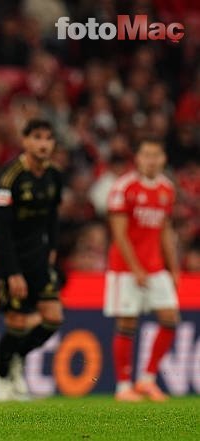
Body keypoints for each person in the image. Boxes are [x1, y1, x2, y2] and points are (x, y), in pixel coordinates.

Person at [0, 119, 64, 401]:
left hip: (38, 257)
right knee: (17, 320)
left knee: (53, 317)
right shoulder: (10, 176)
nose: (43, 144)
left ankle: (6, 362)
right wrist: (12, 272)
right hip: (9, 257)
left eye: (48, 138)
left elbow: (53, 217)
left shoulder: (54, 175)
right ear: (25, 141)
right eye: (37, 137)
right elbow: (1, 230)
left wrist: (52, 249)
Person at [104, 139, 179, 402]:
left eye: (156, 155)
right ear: (137, 158)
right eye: (146, 155)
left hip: (155, 267)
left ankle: (147, 379)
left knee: (170, 318)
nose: (151, 160)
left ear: (164, 158)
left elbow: (164, 230)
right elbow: (119, 233)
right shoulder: (123, 187)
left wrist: (173, 267)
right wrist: (135, 268)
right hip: (125, 269)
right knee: (127, 323)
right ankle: (123, 386)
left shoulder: (167, 189)